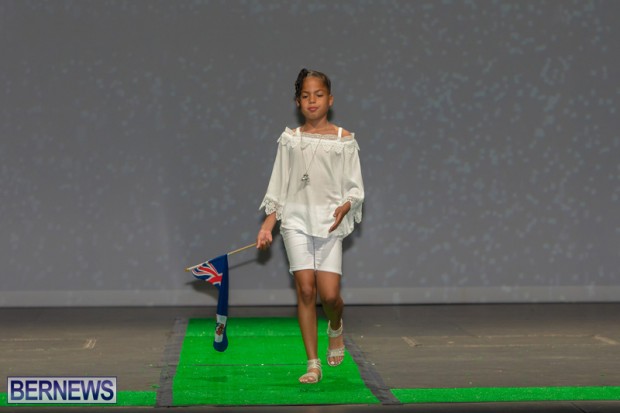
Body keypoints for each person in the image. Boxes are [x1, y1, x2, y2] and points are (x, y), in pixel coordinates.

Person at [256, 68, 364, 384]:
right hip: (295, 221)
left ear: (330, 100)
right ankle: (313, 363)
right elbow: (279, 186)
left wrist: (347, 205)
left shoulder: (344, 140)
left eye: (318, 95)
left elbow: (355, 188)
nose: (312, 100)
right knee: (305, 289)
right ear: (297, 102)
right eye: (305, 96)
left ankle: (335, 326)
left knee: (329, 297)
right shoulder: (290, 140)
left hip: (329, 223)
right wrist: (268, 224)